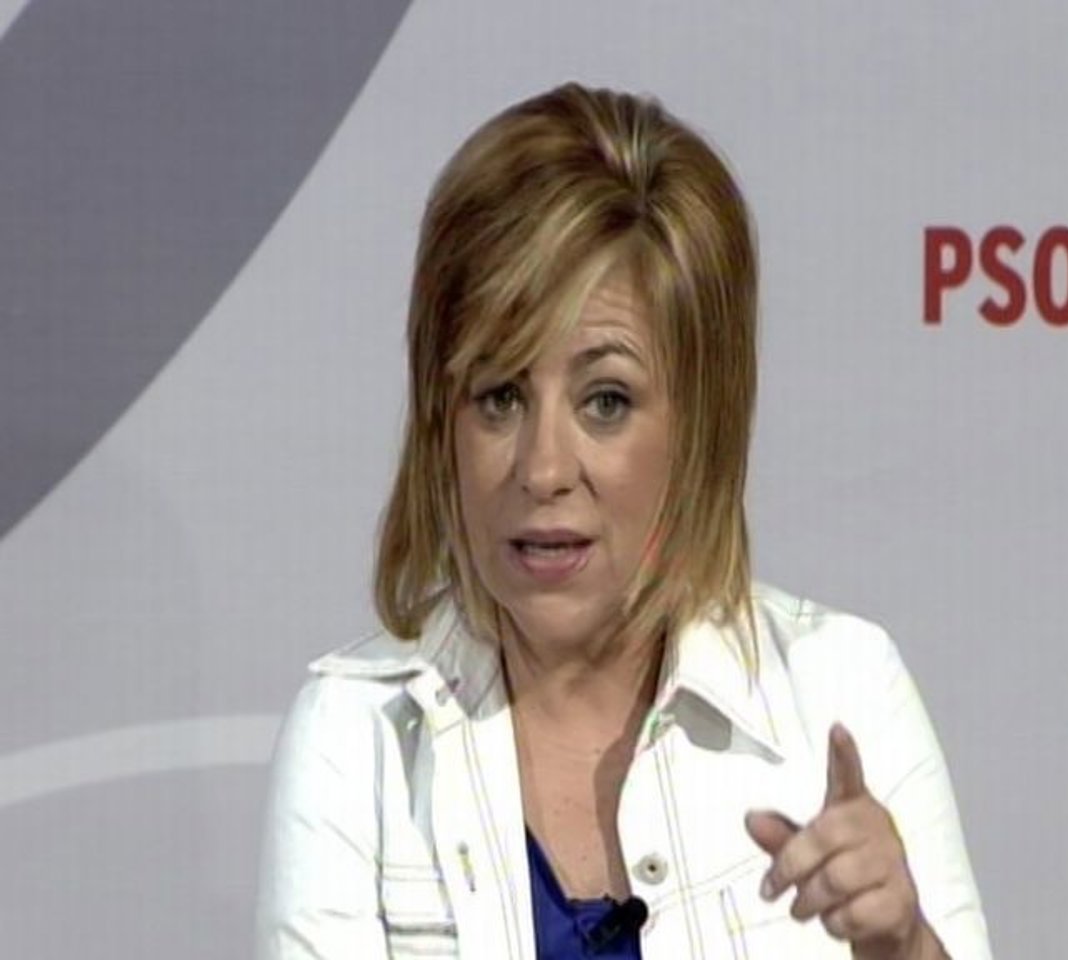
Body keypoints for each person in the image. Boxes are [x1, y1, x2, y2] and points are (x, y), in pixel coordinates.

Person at [255, 82, 992, 960]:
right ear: (440, 418)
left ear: (699, 424)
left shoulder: (842, 690)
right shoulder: (359, 739)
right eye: (499, 397)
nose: (543, 469)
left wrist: (904, 948)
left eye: (605, 401)